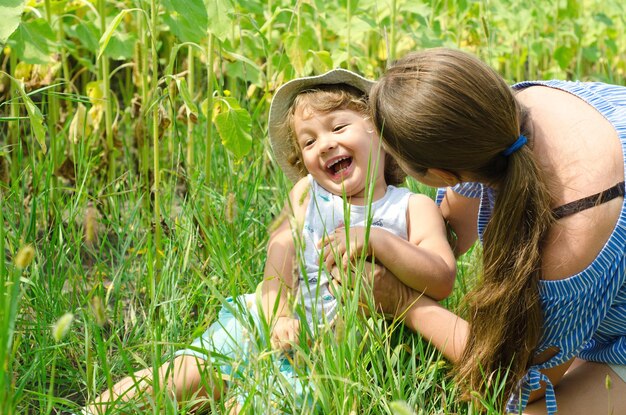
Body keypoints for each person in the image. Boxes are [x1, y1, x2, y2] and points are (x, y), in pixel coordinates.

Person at [84, 69, 456, 414]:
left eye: (339, 127)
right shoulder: (304, 194)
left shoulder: (411, 207)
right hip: (272, 323)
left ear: (380, 131)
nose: (325, 144)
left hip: (332, 357)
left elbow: (441, 278)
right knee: (187, 370)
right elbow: (279, 260)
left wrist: (380, 241)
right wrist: (278, 314)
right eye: (308, 141)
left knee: (261, 405)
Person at [363, 47, 626, 414]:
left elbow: (515, 383)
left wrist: (406, 304)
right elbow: (450, 231)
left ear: (441, 176)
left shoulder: (570, 242)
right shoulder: (505, 116)